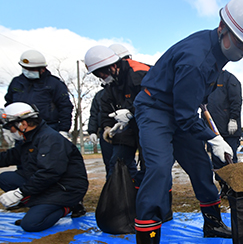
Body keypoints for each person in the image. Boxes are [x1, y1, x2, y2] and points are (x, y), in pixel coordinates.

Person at [132, 0, 243, 244]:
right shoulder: (197, 59)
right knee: (158, 169)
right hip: (156, 109)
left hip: (181, 110)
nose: (242, 52)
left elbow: (194, 102)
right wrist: (213, 139)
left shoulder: (217, 53)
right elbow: (183, 117)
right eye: (239, 44)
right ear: (222, 28)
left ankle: (212, 222)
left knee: (201, 166)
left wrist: (208, 126)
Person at [0, 102, 88, 232]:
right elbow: (10, 156)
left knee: (31, 224)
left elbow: (49, 173)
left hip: (65, 188)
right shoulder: (29, 138)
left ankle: (69, 206)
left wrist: (20, 192)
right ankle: (39, 205)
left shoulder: (50, 139)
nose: (8, 131)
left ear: (23, 124)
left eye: (10, 127)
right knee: (5, 179)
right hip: (47, 183)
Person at [84, 45, 150, 183]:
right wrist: (107, 127)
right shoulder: (112, 84)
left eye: (102, 72)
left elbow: (153, 98)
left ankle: (150, 201)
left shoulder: (139, 73)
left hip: (151, 124)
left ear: (113, 65)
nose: (101, 77)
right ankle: (119, 199)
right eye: (97, 74)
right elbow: (105, 107)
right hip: (130, 127)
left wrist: (131, 111)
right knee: (117, 163)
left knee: (149, 166)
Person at [4, 50, 73, 137]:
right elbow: (9, 105)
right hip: (21, 129)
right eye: (26, 68)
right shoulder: (16, 83)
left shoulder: (54, 84)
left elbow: (65, 107)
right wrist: (8, 128)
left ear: (42, 69)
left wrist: (64, 129)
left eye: (32, 69)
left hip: (48, 128)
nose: (28, 71)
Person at [206, 70, 242, 196]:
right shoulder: (207, 78)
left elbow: (236, 100)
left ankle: (234, 187)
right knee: (216, 160)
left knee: (229, 159)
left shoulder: (229, 79)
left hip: (228, 130)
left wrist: (233, 118)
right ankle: (223, 186)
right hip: (212, 130)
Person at [87, 89, 113, 176]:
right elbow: (94, 114)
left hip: (122, 129)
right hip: (105, 131)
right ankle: (111, 185)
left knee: (125, 161)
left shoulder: (122, 89)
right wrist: (92, 131)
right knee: (108, 162)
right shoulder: (99, 95)